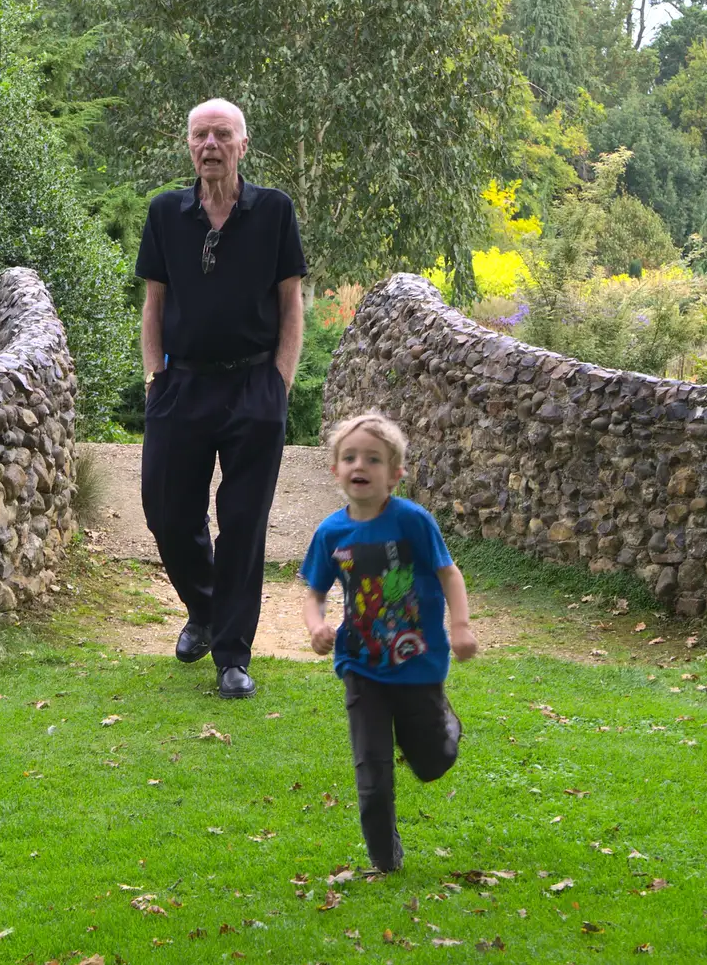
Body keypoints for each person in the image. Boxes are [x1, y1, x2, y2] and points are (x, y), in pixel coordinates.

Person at [135, 98, 307, 700]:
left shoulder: (274, 211)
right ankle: (204, 609)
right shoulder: (165, 213)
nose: (210, 144)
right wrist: (155, 376)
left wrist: (280, 382)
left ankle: (232, 654)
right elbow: (153, 304)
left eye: (221, 135)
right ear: (189, 145)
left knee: (242, 522)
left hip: (253, 385)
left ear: (242, 144)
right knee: (163, 505)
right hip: (181, 384)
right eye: (199, 135)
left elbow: (291, 304)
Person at [300, 412, 479, 872]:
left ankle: (444, 723)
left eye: (374, 459)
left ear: (395, 473)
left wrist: (459, 627)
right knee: (372, 771)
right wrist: (315, 624)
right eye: (351, 457)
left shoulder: (413, 521)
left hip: (418, 663)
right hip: (361, 665)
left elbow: (449, 573)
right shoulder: (329, 533)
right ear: (335, 469)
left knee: (431, 763)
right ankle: (384, 860)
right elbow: (314, 592)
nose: (361, 465)